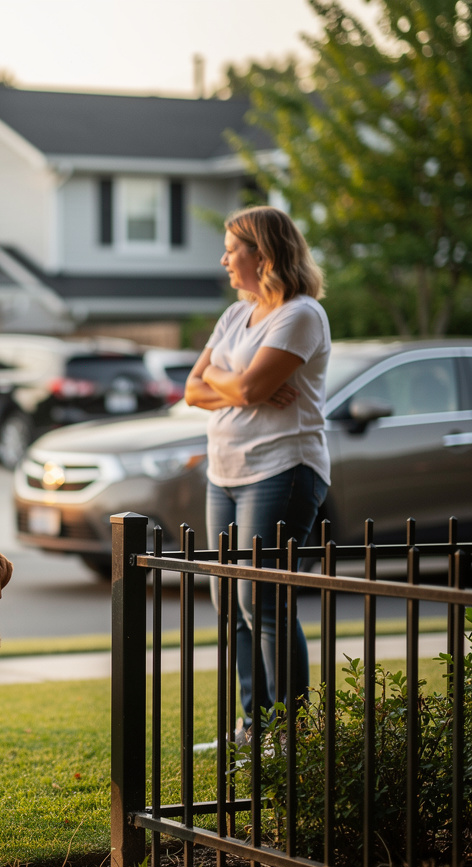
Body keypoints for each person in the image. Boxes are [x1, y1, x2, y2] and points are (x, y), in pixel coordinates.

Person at [184, 206, 330, 740]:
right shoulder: (235, 314)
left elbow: (238, 390)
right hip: (224, 472)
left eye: (232, 248)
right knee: (228, 601)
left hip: (282, 469)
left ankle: (289, 731)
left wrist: (236, 383)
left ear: (262, 254)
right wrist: (239, 379)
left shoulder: (300, 314)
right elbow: (192, 389)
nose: (223, 258)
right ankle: (253, 724)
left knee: (261, 599)